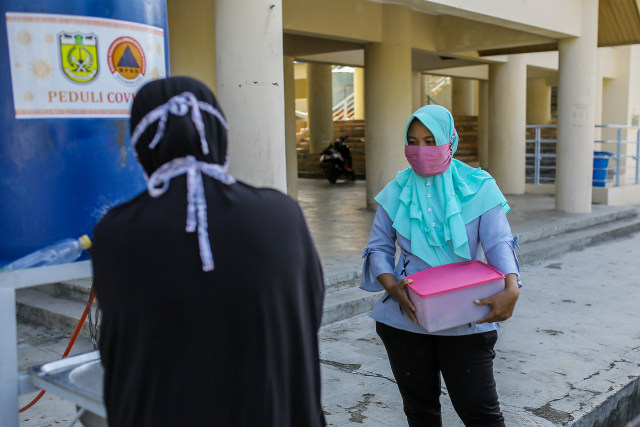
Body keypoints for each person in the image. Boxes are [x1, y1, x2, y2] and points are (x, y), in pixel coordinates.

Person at [92, 76, 326, 427]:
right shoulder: (282, 214)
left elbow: (117, 343)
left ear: (142, 145)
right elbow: (309, 311)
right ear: (219, 132)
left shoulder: (115, 232)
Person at [360, 105, 521, 427]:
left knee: (481, 414)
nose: (421, 150)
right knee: (420, 413)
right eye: (413, 140)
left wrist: (511, 286)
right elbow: (378, 247)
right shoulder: (396, 192)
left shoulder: (478, 186)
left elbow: (498, 243)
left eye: (430, 140)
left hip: (467, 314)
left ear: (450, 141)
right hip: (404, 318)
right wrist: (391, 284)